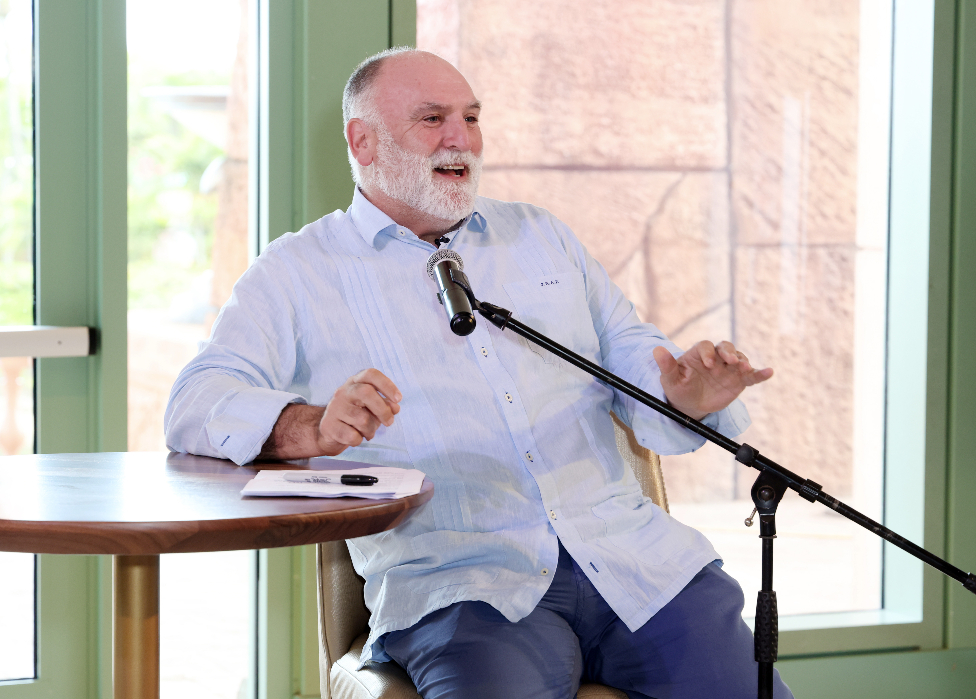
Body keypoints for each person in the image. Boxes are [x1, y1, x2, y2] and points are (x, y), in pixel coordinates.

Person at [165, 47, 793, 699]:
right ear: (363, 141)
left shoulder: (542, 237)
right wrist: (312, 427)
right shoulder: (296, 271)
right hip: (462, 584)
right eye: (432, 118)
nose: (460, 138)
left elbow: (638, 360)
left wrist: (685, 395)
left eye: (471, 117)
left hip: (633, 563)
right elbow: (193, 402)